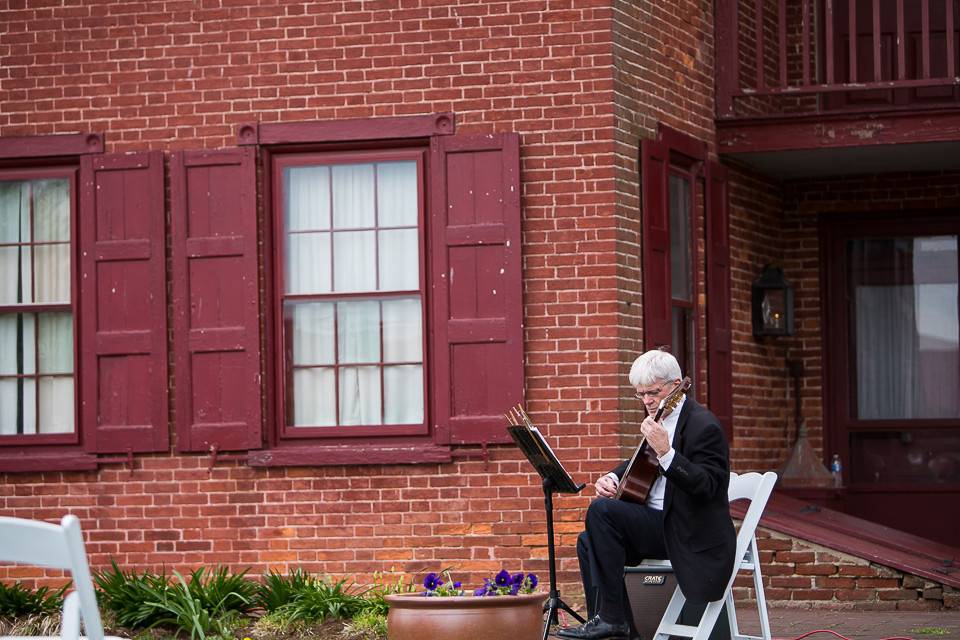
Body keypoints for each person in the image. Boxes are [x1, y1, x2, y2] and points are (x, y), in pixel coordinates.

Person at [557, 349, 736, 640]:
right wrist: (613, 476)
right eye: (640, 394)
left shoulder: (704, 426)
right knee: (588, 542)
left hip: (689, 531)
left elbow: (709, 487)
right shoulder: (662, 419)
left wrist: (667, 453)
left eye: (653, 392)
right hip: (659, 526)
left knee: (602, 512)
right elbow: (640, 462)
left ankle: (613, 621)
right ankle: (614, 628)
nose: (647, 401)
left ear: (676, 384)